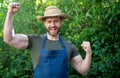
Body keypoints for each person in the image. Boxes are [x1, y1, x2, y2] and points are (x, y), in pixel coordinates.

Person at [4, 2, 92, 78]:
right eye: (49, 21)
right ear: (44, 23)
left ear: (61, 22)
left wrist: (88, 54)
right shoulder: (34, 41)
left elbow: (83, 70)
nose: (52, 25)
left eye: (56, 21)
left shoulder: (68, 45)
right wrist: (10, 13)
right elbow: (9, 39)